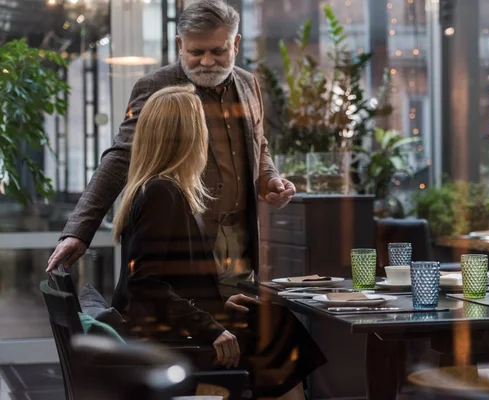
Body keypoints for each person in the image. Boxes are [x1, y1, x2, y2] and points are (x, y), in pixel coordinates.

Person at [47, 0, 325, 398]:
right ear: (180, 45)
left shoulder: (248, 83)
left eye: (218, 50)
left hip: (237, 245)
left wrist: (271, 180)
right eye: (196, 52)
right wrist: (79, 231)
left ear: (236, 43)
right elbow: (121, 158)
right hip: (185, 250)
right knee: (258, 339)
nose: (207, 61)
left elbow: (259, 145)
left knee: (267, 329)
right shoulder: (157, 90)